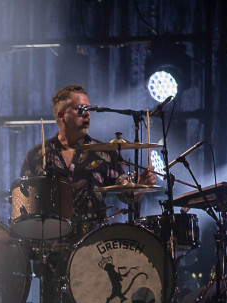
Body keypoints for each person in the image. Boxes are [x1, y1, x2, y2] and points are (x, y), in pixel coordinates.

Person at [20, 83, 157, 224]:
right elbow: (24, 198)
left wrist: (139, 187)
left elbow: (126, 194)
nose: (87, 113)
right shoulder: (37, 154)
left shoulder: (104, 153)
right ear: (61, 116)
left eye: (89, 109)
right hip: (49, 237)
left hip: (93, 238)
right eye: (80, 109)